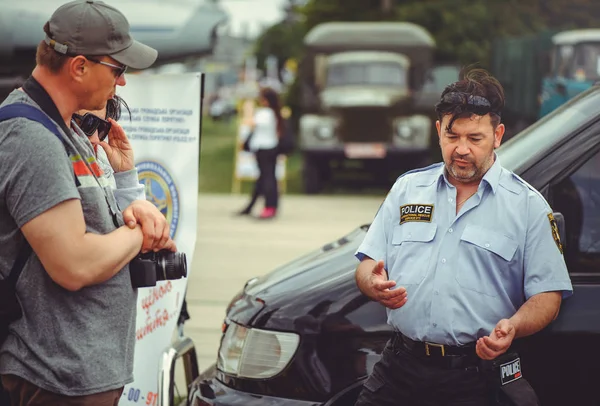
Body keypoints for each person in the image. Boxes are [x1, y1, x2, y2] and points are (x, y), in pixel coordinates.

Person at [353, 69, 573, 406]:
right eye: (453, 136)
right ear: (439, 130)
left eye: (475, 138)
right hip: (398, 370)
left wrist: (513, 327)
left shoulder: (527, 206)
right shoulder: (407, 189)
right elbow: (368, 263)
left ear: (497, 135)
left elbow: (548, 297)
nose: (462, 149)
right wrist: (373, 282)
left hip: (474, 380)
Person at [0, 1, 176, 404]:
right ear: (79, 67)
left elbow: (97, 229)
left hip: (80, 374)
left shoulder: (65, 131)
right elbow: (74, 263)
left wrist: (129, 191)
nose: (123, 83)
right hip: (57, 379)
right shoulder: (33, 139)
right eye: (119, 70)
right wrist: (141, 235)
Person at [74, 95, 146, 209]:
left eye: (101, 127)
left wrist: (125, 174)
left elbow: (134, 222)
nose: (95, 139)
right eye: (89, 124)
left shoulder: (103, 160)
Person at [237, 87, 283, 220]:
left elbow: (249, 122)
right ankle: (253, 206)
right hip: (270, 148)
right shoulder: (274, 113)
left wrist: (248, 109)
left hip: (264, 149)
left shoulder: (266, 113)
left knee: (268, 179)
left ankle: (270, 207)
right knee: (264, 179)